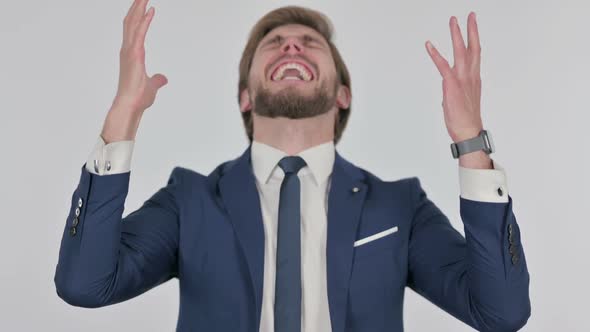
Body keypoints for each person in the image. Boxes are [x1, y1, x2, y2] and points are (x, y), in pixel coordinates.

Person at [53, 1, 531, 331]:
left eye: (309, 42)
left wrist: (472, 141)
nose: (291, 47)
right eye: (275, 42)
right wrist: (122, 116)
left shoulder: (399, 207)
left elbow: (499, 311)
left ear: (342, 94)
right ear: (246, 95)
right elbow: (85, 284)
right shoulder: (190, 200)